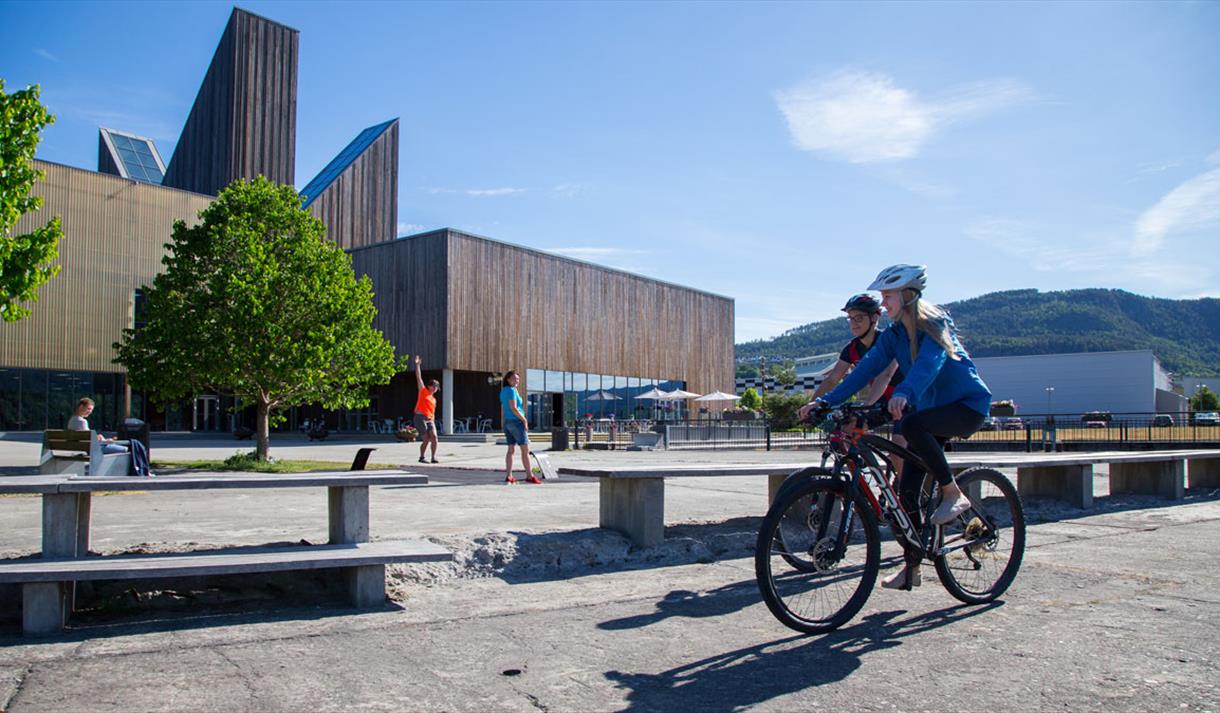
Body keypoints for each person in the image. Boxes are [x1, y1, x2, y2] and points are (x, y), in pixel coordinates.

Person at [811, 265, 991, 591]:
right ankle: (912, 569)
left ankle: (953, 494)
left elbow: (930, 363)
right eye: (882, 296)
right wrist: (826, 402)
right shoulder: (893, 336)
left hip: (965, 406)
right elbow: (863, 371)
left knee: (911, 424)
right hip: (930, 411)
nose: (884, 303)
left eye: (888, 295)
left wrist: (906, 391)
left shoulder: (934, 322)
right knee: (904, 497)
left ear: (908, 295)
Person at [798, 293, 908, 474]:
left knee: (898, 452)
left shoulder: (887, 341)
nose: (854, 323)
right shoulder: (852, 348)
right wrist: (812, 405)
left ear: (875, 318)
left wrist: (867, 405)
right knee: (846, 431)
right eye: (850, 318)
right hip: (880, 401)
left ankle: (904, 493)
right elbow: (833, 379)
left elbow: (885, 375)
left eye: (859, 318)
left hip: (902, 400)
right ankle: (868, 482)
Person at [68, 397, 153, 476]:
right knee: (132, 449)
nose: (90, 412)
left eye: (91, 410)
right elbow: (91, 442)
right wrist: (105, 440)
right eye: (88, 409)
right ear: (81, 407)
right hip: (95, 449)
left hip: (86, 448)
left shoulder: (72, 420)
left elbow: (87, 438)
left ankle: (144, 471)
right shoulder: (82, 421)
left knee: (130, 447)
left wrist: (99, 438)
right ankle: (141, 472)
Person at [500, 371, 540, 484]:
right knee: (525, 450)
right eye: (514, 379)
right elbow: (514, 408)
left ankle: (509, 476)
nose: (516, 381)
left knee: (511, 450)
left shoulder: (504, 391)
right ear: (508, 379)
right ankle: (529, 475)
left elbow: (506, 407)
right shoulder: (511, 390)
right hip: (516, 422)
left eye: (517, 379)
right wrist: (524, 420)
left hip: (507, 422)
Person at [413, 355, 440, 464]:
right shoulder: (423, 391)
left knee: (434, 438)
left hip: (430, 419)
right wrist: (417, 365)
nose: (435, 388)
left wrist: (432, 421)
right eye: (433, 386)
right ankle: (422, 457)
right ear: (429, 386)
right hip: (420, 417)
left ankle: (433, 457)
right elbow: (419, 378)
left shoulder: (434, 399)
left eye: (436, 387)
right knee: (426, 439)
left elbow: (432, 412)